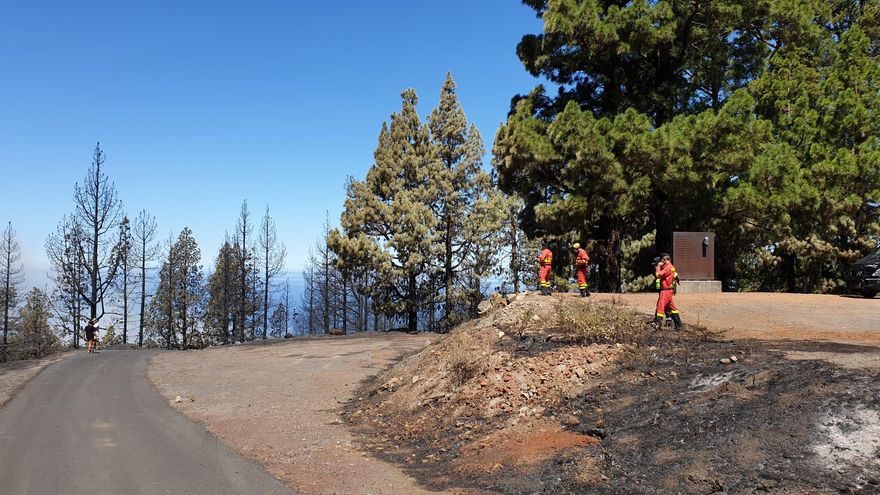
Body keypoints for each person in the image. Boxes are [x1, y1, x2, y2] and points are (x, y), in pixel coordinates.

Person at [654, 253, 682, 330]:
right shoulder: (671, 267)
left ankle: (658, 325)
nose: (661, 262)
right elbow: (675, 275)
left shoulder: (667, 268)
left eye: (662, 260)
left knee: (660, 306)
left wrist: (658, 267)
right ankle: (678, 325)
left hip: (665, 291)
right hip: (669, 291)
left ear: (664, 260)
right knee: (672, 308)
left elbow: (658, 275)